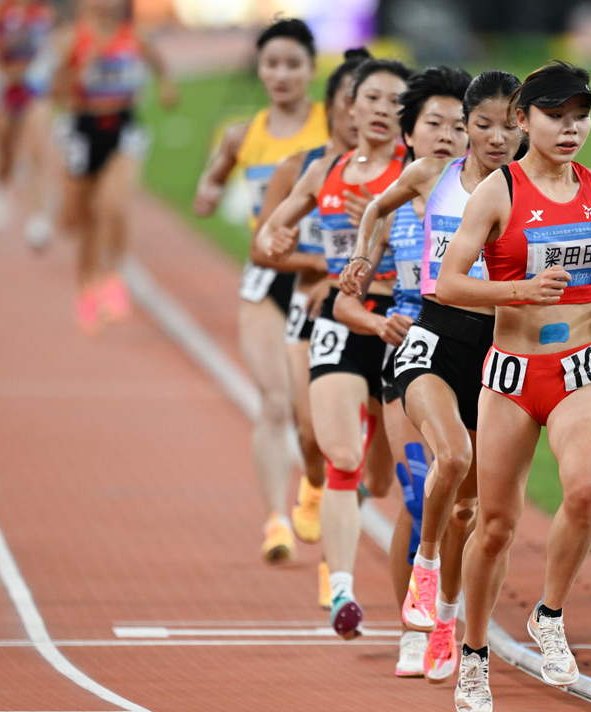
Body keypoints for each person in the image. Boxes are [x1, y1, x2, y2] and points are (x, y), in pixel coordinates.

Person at [433, 61, 591, 712]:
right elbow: (449, 284)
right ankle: (475, 655)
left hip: (579, 369)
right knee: (494, 526)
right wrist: (517, 291)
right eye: (556, 115)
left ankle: (549, 615)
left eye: (581, 117)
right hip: (512, 375)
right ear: (525, 121)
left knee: (586, 492)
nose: (571, 128)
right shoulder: (498, 192)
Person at [342, 68, 524, 683]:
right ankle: (413, 610)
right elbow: (374, 209)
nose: (456, 136)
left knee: (466, 513)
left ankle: (445, 619)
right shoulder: (427, 177)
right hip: (423, 335)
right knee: (428, 483)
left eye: (504, 125)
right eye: (444, 124)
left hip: (492, 349)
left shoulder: (522, 189)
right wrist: (362, 258)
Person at [258, 58, 414, 639]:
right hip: (343, 320)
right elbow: (273, 230)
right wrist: (277, 232)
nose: (378, 109)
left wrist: (385, 219)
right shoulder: (324, 169)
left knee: (381, 480)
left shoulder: (419, 176)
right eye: (368, 97)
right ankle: (342, 588)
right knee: (342, 458)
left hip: (402, 323)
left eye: (393, 101)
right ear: (349, 107)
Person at [193, 19, 326, 562]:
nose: (281, 74)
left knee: (309, 412)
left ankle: (315, 487)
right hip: (266, 275)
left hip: (322, 275)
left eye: (292, 64)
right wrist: (207, 188)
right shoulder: (242, 133)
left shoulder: (329, 126)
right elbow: (216, 173)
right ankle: (276, 519)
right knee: (273, 402)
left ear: (311, 70)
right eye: (271, 64)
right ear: (260, 69)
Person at [247, 47, 370, 602]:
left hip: (376, 314)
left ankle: (333, 570)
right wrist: (320, 264)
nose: (362, 114)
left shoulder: (402, 173)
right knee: (308, 434)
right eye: (352, 102)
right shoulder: (304, 169)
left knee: (357, 453)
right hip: (309, 309)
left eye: (376, 102)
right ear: (334, 109)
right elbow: (263, 248)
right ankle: (312, 485)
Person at [52, 0, 177, 333]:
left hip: (122, 128)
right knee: (80, 220)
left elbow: (158, 63)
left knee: (114, 205)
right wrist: (82, 68)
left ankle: (112, 276)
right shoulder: (71, 38)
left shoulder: (134, 36)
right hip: (83, 129)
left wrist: (166, 87)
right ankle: (86, 285)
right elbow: (53, 91)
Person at [0, 0, 54, 229]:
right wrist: (0, 48)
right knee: (6, 148)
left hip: (34, 86)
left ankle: (38, 216)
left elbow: (55, 44)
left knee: (37, 146)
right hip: (5, 85)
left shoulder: (45, 12)